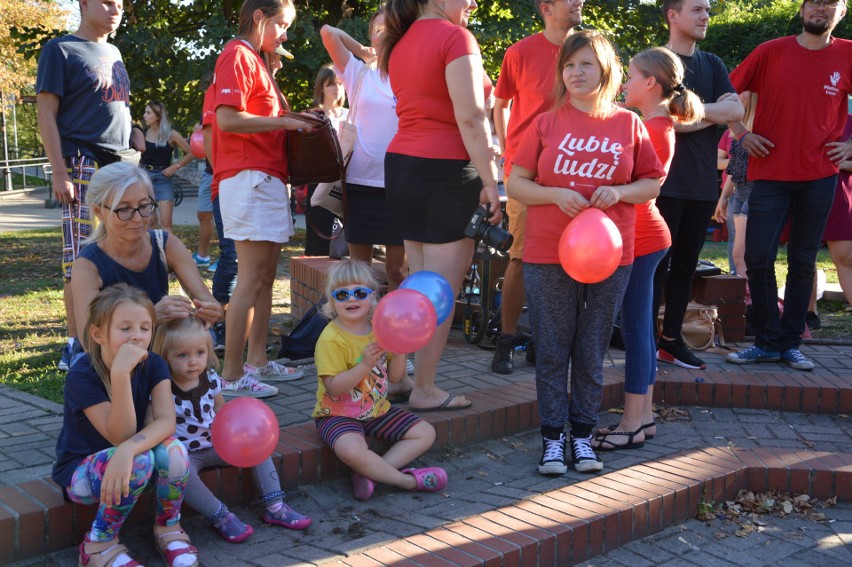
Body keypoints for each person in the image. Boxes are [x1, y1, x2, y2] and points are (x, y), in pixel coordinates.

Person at [509, 30, 664, 474]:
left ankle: (583, 437)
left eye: (585, 65)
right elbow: (517, 183)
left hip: (611, 254)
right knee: (554, 348)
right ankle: (553, 440)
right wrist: (555, 195)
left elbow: (652, 182)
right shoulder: (545, 122)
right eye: (569, 65)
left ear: (605, 71)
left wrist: (617, 191)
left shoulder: (628, 123)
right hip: (546, 251)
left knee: (592, 347)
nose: (575, 73)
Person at [379, 0, 501, 412]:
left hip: (402, 167)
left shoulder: (398, 41)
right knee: (440, 289)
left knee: (417, 281)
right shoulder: (454, 37)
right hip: (446, 171)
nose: (470, 3)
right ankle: (425, 389)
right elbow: (470, 118)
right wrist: (491, 181)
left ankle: (398, 377)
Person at [726, 0, 852, 371]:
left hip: (820, 175)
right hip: (769, 174)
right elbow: (728, 93)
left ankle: (791, 342)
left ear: (841, 13)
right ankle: (766, 341)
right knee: (756, 256)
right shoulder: (770, 51)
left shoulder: (847, 54)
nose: (821, 9)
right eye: (814, 1)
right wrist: (740, 135)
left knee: (803, 260)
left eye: (831, 3)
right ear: (802, 9)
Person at [593, 47, 703, 451]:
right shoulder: (655, 122)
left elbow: (637, 190)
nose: (624, 84)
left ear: (650, 83)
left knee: (638, 330)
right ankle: (645, 417)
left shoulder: (652, 128)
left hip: (641, 239)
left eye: (631, 77)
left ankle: (632, 423)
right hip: (645, 237)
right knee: (640, 328)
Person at [52, 283, 198, 567]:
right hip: (82, 474)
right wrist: (120, 373)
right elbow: (120, 434)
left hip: (129, 459)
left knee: (175, 451)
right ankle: (98, 544)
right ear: (98, 334)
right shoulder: (82, 375)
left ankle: (168, 528)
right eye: (125, 328)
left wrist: (127, 450)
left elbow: (167, 422)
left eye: (145, 328)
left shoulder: (154, 364)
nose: (137, 336)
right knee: (140, 461)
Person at [212, 0, 312, 397]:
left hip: (266, 177)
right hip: (247, 176)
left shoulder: (256, 59)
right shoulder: (236, 54)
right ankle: (232, 375)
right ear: (260, 17)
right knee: (251, 278)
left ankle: (256, 361)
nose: (285, 35)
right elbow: (226, 118)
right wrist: (285, 121)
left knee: (265, 278)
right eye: (282, 25)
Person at [151, 316, 311, 544]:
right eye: (182, 355)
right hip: (187, 455)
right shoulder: (163, 386)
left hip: (217, 445)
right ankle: (220, 516)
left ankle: (275, 506)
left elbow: (222, 410)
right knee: (182, 478)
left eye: (199, 353)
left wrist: (238, 438)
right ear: (165, 357)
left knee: (258, 448)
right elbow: (156, 422)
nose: (193, 361)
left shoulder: (210, 378)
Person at [36, 0, 134, 372]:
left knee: (121, 251)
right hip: (82, 163)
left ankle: (113, 337)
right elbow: (46, 112)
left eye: (120, 4)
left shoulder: (114, 50)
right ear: (84, 4)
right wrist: (59, 171)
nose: (115, 9)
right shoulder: (60, 49)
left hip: (121, 164)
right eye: (107, 2)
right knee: (79, 259)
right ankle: (75, 346)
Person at [490, 0, 584, 375]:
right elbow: (499, 105)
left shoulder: (589, 49)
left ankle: (550, 341)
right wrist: (506, 150)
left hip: (576, 170)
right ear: (546, 6)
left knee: (571, 260)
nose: (579, 1)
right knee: (521, 257)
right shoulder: (519, 52)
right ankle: (506, 340)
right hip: (526, 175)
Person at [653, 0, 744, 370]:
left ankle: (671, 343)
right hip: (660, 185)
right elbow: (663, 121)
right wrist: (709, 112)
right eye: (697, 9)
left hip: (702, 186)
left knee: (686, 269)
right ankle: (642, 341)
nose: (707, 15)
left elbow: (737, 111)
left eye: (708, 9)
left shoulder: (713, 64)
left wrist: (692, 109)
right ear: (673, 16)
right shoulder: (654, 62)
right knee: (654, 268)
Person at [313, 259, 447, 500]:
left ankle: (371, 473)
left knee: (426, 432)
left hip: (377, 410)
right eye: (342, 294)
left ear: (372, 296)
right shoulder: (331, 339)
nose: (351, 299)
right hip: (337, 414)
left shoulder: (380, 327)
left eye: (360, 292)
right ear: (332, 301)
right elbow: (332, 387)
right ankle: (407, 481)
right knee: (352, 451)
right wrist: (364, 365)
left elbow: (395, 378)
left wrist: (400, 348)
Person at [70, 162, 224, 343]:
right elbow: (88, 339)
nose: (138, 219)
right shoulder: (88, 265)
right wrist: (149, 317)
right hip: (111, 364)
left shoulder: (166, 245)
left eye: (144, 206)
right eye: (124, 209)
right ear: (98, 212)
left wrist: (211, 311)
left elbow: (208, 302)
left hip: (159, 354)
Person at [320, 12, 408, 293]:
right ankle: (360, 333)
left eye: (390, 26)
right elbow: (328, 31)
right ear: (370, 34)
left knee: (397, 271)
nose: (383, 32)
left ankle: (395, 332)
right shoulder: (358, 72)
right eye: (377, 28)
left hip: (398, 183)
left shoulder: (411, 72)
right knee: (360, 269)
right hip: (359, 183)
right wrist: (360, 51)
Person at [303, 65, 347, 257]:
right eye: (331, 85)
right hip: (320, 180)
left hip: (346, 180)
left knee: (345, 236)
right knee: (319, 236)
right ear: (321, 87)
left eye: (339, 84)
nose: (336, 89)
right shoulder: (312, 115)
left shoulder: (351, 113)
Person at [714, 92, 757, 283]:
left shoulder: (759, 125)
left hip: (755, 190)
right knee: (738, 253)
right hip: (739, 189)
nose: (737, 94)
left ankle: (750, 300)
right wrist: (723, 197)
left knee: (744, 253)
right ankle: (743, 299)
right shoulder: (739, 130)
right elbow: (736, 167)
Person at [139, 101, 195, 234]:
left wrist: (176, 166)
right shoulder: (143, 133)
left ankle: (168, 253)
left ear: (158, 116)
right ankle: (152, 252)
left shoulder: (171, 134)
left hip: (164, 178)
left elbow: (193, 153)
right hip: (145, 178)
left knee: (166, 223)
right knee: (150, 221)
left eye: (148, 113)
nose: (144, 115)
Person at [823, 113, 852, 311]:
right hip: (810, 194)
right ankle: (808, 316)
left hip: (842, 196)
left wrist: (835, 164)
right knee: (801, 260)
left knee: (845, 258)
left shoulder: (848, 120)